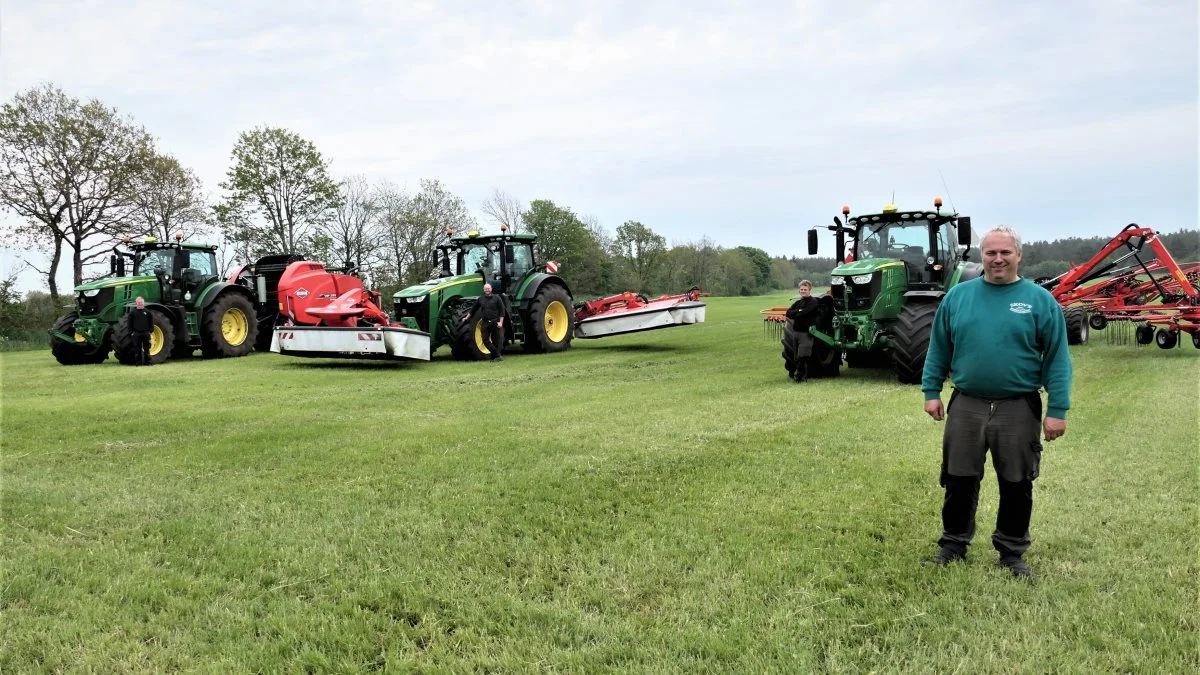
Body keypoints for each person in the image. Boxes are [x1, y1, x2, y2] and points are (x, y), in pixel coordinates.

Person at [921, 225, 1072, 579]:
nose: (998, 258)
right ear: (981, 256)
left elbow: (1057, 359)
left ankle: (1011, 552)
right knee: (958, 478)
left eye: (1005, 252)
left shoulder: (1039, 301)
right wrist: (931, 391)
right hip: (967, 403)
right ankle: (953, 544)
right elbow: (939, 348)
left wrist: (1057, 411)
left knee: (1017, 482)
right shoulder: (958, 297)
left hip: (1018, 406)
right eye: (991, 252)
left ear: (1019, 255)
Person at [783, 280, 820, 382]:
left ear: (809, 290)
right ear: (799, 291)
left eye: (805, 289)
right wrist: (798, 311)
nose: (803, 291)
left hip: (805, 333)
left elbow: (804, 313)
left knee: (803, 355)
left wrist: (798, 312)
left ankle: (801, 376)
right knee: (796, 356)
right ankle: (799, 376)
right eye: (801, 289)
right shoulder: (798, 302)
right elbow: (788, 313)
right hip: (796, 332)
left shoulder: (813, 302)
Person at [462, 283, 508, 361]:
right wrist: (466, 318)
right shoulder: (481, 299)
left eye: (488, 288)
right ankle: (497, 355)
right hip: (485, 322)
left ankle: (494, 357)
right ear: (484, 290)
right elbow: (473, 310)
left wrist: (500, 322)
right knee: (485, 340)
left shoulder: (497, 298)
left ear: (491, 289)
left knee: (495, 340)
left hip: (495, 321)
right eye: (486, 289)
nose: (487, 290)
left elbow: (502, 311)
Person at [129, 296, 154, 366]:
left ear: (143, 303)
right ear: (136, 303)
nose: (140, 304)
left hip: (145, 333)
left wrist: (150, 331)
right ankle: (138, 363)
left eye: (141, 302)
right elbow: (129, 324)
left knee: (147, 349)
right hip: (136, 333)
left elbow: (151, 323)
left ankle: (147, 363)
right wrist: (131, 333)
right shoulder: (132, 313)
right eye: (138, 302)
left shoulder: (147, 312)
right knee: (137, 349)